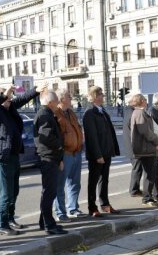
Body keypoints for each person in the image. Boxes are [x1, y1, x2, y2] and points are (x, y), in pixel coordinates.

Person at [0, 84, 42, 236]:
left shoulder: (9, 107)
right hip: (2, 157)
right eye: (6, 97)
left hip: (14, 154)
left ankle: (10, 218)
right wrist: (3, 95)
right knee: (6, 193)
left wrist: (36, 90)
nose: (9, 99)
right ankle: (1, 224)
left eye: (10, 97)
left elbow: (22, 99)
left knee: (14, 191)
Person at [82, 86, 120, 217]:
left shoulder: (102, 111)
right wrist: (98, 155)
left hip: (106, 151)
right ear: (94, 97)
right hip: (97, 155)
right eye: (101, 94)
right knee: (93, 181)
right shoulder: (89, 113)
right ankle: (92, 207)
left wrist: (112, 149)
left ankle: (105, 204)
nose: (103, 96)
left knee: (104, 180)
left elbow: (109, 132)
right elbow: (91, 137)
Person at [34, 91, 67, 235]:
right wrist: (60, 145)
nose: (58, 104)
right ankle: (49, 225)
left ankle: (45, 222)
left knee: (49, 191)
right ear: (50, 103)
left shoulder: (46, 113)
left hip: (51, 157)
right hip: (48, 158)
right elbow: (46, 136)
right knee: (49, 192)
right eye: (56, 102)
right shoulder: (44, 115)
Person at [53, 89, 86, 221]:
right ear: (61, 99)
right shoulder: (56, 114)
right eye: (68, 96)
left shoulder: (71, 112)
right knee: (60, 185)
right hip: (65, 153)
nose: (71, 97)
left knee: (75, 183)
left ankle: (73, 208)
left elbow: (77, 128)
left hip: (76, 152)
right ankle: (60, 213)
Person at [130, 94, 158, 207]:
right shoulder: (139, 113)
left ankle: (148, 197)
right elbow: (145, 131)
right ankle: (147, 198)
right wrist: (156, 141)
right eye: (145, 99)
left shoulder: (139, 112)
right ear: (141, 101)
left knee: (149, 174)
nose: (146, 101)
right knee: (149, 174)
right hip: (146, 149)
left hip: (145, 148)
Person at [123, 93, 143, 197]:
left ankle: (135, 189)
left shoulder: (129, 111)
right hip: (134, 146)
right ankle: (134, 190)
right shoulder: (133, 113)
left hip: (131, 145)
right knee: (137, 168)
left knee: (137, 168)